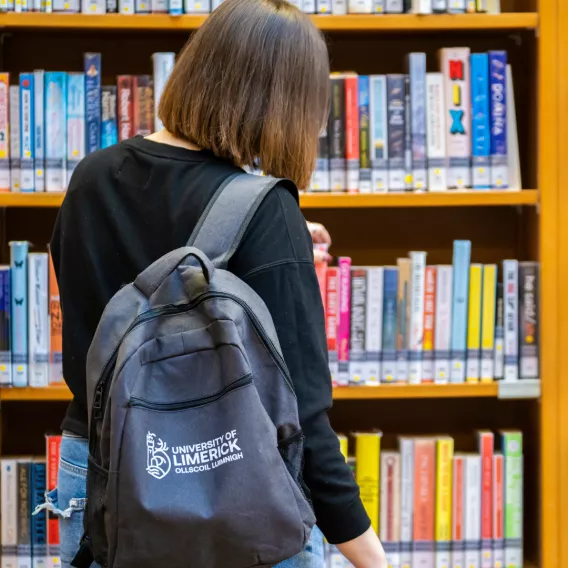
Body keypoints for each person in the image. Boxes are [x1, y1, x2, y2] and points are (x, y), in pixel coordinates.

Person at [49, 0, 387, 566]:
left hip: (100, 472)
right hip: (233, 479)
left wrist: (276, 244)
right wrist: (375, 559)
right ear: (282, 105)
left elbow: (122, 300)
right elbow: (304, 420)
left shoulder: (90, 180)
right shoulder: (267, 213)